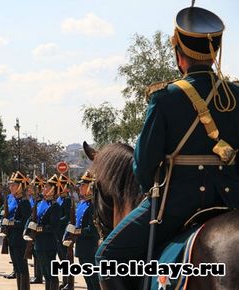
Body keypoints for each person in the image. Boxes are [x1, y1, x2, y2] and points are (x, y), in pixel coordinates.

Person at [95, 5, 239, 290]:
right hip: (231, 199)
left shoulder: (164, 97)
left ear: (179, 53)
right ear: (215, 52)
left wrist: (154, 189)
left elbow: (143, 166)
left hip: (175, 204)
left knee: (106, 257)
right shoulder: (235, 96)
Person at [64, 171, 99, 290]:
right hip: (81, 246)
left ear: (90, 187)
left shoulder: (93, 205)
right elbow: (74, 221)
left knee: (94, 280)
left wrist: (76, 231)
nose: (80, 188)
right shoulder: (82, 204)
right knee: (87, 278)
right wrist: (68, 233)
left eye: (83, 185)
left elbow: (92, 229)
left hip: (90, 246)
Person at [28, 174, 61, 290]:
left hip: (49, 244)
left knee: (51, 274)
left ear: (53, 190)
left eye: (47, 187)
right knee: (46, 274)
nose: (44, 189)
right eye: (44, 187)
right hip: (39, 243)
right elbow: (33, 217)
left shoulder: (55, 206)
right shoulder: (40, 203)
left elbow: (53, 226)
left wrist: (38, 228)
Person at [2, 171, 32, 290]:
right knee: (17, 266)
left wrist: (10, 222)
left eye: (13, 185)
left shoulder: (24, 202)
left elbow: (25, 222)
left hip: (19, 238)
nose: (11, 187)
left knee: (22, 265)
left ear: (20, 187)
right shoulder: (12, 200)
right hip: (11, 237)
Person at [56, 174, 74, 289]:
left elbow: (67, 217)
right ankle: (64, 280)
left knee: (67, 259)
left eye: (61, 185)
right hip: (57, 232)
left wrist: (57, 221)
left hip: (64, 231)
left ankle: (69, 283)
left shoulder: (67, 200)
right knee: (62, 258)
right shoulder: (59, 199)